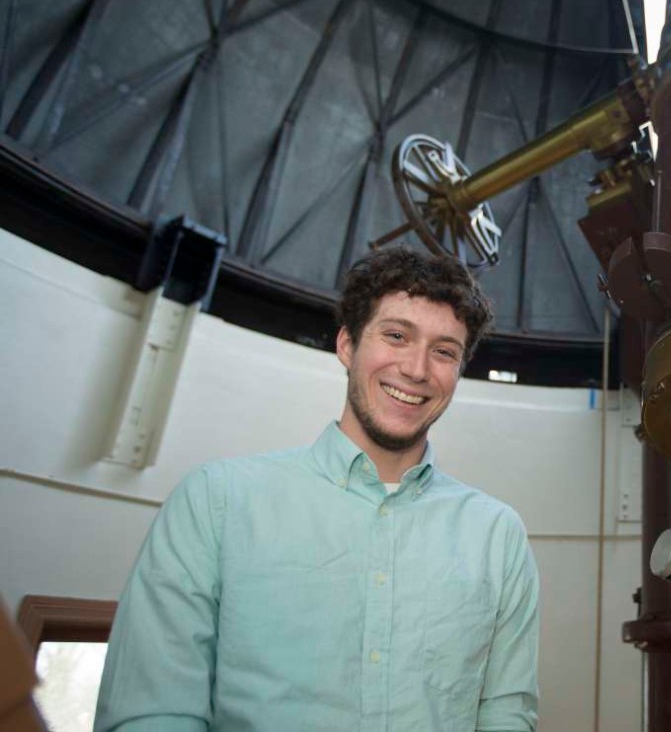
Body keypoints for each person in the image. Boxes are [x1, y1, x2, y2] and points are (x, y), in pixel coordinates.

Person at [95, 248, 539, 731]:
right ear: (347, 345)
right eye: (396, 336)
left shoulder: (497, 535)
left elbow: (506, 716)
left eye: (444, 351)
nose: (416, 369)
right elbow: (152, 715)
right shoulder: (216, 501)